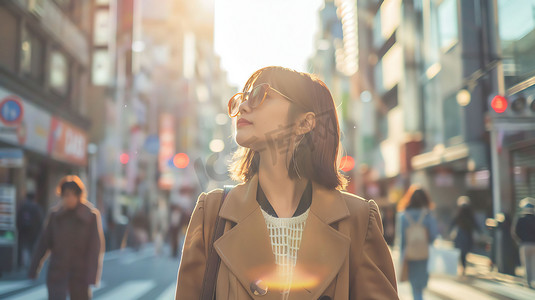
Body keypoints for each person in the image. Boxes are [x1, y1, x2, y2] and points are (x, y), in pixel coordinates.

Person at [175, 66, 398, 299]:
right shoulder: (212, 212)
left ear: (305, 123)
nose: (242, 107)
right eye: (242, 98)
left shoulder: (358, 219)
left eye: (262, 95)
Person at [29, 175, 105, 300]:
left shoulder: (90, 216)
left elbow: (95, 249)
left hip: (80, 274)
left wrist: (92, 276)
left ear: (79, 196)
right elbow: (43, 243)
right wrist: (34, 268)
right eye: (65, 195)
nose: (69, 198)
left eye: (72, 194)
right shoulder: (55, 216)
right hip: (58, 272)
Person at [397, 185, 438, 300]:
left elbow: (402, 240)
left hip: (410, 255)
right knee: (421, 285)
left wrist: (401, 259)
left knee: (414, 286)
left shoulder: (403, 216)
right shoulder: (428, 214)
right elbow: (434, 235)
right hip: (425, 254)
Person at [450, 196, 479, 276]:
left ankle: (463, 266)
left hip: (461, 235)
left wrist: (448, 232)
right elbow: (475, 224)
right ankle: (463, 266)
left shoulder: (459, 213)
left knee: (461, 253)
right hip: (467, 235)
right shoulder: (469, 214)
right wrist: (480, 231)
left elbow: (452, 223)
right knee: (464, 253)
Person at [512, 197, 535, 288]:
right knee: (533, 264)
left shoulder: (520, 219)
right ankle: (533, 281)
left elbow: (515, 232)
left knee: (526, 264)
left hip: (524, 244)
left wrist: (519, 241)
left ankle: (527, 282)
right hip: (534, 244)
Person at [16, 192, 43, 268]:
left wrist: (19, 228)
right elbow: (40, 220)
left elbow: (18, 218)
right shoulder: (36, 207)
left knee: (23, 246)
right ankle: (31, 263)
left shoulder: (22, 206)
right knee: (32, 247)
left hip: (23, 230)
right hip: (33, 231)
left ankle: (22, 263)